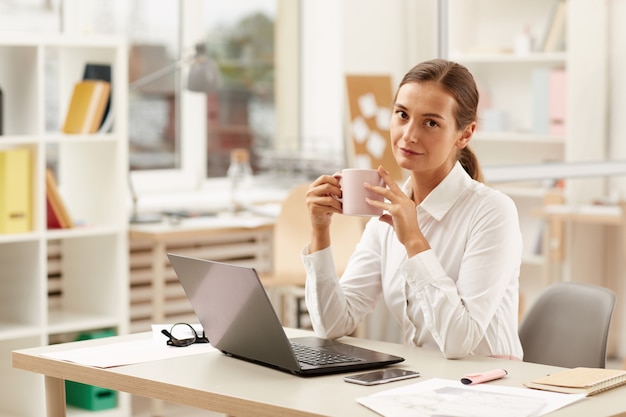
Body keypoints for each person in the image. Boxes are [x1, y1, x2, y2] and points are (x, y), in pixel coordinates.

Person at [302, 58, 523, 360]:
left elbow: (460, 342)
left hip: (490, 388)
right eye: (402, 115)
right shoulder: (385, 213)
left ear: (465, 134)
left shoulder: (493, 212)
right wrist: (320, 231)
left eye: (430, 123)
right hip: (422, 385)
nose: (408, 135)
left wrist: (414, 241)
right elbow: (333, 324)